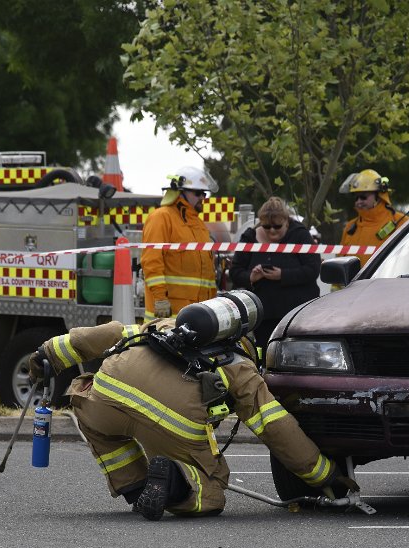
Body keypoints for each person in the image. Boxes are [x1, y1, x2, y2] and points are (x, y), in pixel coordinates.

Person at [28, 292, 357, 521]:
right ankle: (173, 484)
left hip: (103, 401)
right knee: (212, 490)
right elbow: (276, 427)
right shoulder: (239, 366)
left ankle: (135, 487)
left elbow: (109, 333)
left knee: (90, 403)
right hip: (168, 423)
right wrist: (326, 476)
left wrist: (48, 355)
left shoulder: (165, 324)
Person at [229, 197, 320, 362]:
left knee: (298, 358)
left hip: (296, 314)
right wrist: (251, 277)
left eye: (277, 226)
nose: (272, 231)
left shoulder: (300, 235)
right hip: (264, 314)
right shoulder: (249, 237)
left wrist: (282, 275)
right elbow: (235, 271)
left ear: (287, 221)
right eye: (266, 227)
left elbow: (313, 269)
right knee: (266, 357)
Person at [141, 166, 218, 322]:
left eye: (204, 193)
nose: (202, 197)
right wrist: (160, 299)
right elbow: (151, 262)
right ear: (180, 191)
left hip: (200, 314)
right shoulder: (161, 217)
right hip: (169, 316)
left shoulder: (199, 224)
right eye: (198, 193)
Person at [339, 169, 409, 269]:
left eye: (363, 197)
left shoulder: (402, 222)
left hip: (391, 283)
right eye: (356, 198)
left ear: (379, 196)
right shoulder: (350, 228)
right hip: (355, 285)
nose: (358, 202)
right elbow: (340, 262)